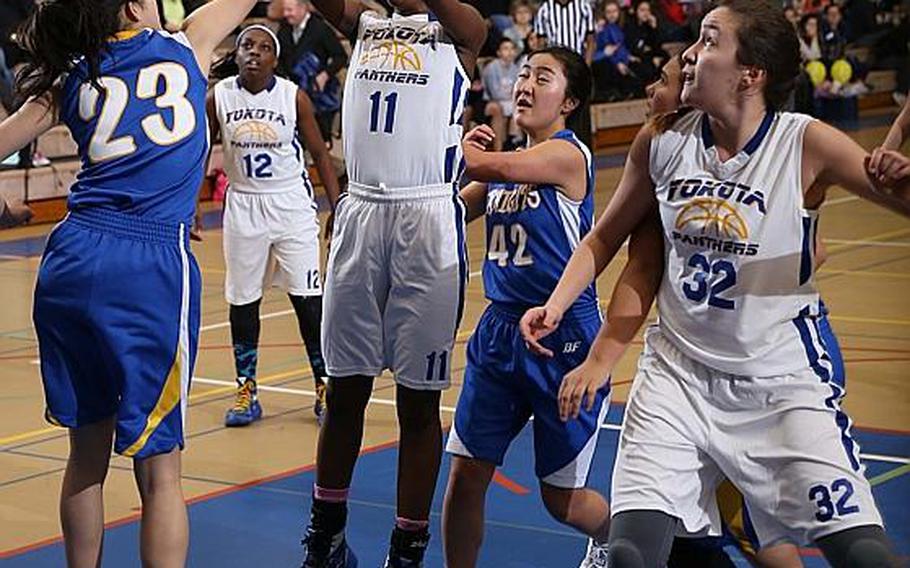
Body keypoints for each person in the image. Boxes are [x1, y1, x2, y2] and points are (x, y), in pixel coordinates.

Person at [520, 0, 910, 565]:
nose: (690, 54)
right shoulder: (662, 140)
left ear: (750, 74)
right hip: (677, 378)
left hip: (778, 381)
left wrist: (899, 176)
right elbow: (611, 243)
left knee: (864, 555)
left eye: (708, 41)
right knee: (629, 554)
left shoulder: (805, 143)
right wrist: (560, 310)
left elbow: (890, 202)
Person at [0, 0, 257, 566]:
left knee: (84, 454)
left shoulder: (72, 71)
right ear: (134, 5)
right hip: (149, 263)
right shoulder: (189, 41)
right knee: (161, 472)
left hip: (72, 258)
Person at [442, 46, 645, 568]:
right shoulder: (507, 168)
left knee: (564, 501)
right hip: (500, 330)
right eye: (525, 74)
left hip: (563, 338)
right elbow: (450, 212)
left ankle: (617, 538)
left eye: (543, 77)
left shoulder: (566, 156)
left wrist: (454, 139)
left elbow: (485, 163)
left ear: (569, 100)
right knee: (466, 476)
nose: (526, 84)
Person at [299, 0, 486, 565]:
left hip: (426, 216)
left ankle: (406, 548)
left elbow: (466, 24)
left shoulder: (460, 31)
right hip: (362, 212)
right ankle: (326, 536)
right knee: (346, 388)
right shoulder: (365, 21)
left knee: (418, 401)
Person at [207, 24, 342, 427]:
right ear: (238, 52)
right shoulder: (219, 97)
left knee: (308, 301)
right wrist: (186, 205)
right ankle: (246, 389)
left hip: (290, 205)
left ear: (275, 59)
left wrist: (339, 208)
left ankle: (324, 386)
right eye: (247, 45)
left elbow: (319, 151)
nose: (253, 52)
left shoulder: (291, 96)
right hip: (244, 204)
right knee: (243, 299)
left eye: (264, 48)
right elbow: (200, 151)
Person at [276, 0, 349, 145]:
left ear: (303, 8)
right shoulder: (284, 28)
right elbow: (279, 59)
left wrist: (325, 75)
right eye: (284, 10)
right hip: (293, 91)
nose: (286, 14)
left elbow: (340, 56)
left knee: (320, 139)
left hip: (319, 92)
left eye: (289, 10)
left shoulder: (320, 28)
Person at [481, 38, 521, 151]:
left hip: (509, 101)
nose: (509, 52)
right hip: (490, 102)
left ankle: (513, 143)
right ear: (499, 52)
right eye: (505, 49)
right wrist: (511, 97)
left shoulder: (516, 68)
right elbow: (495, 93)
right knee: (500, 108)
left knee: (519, 108)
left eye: (512, 49)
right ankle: (499, 149)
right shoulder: (491, 68)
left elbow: (517, 90)